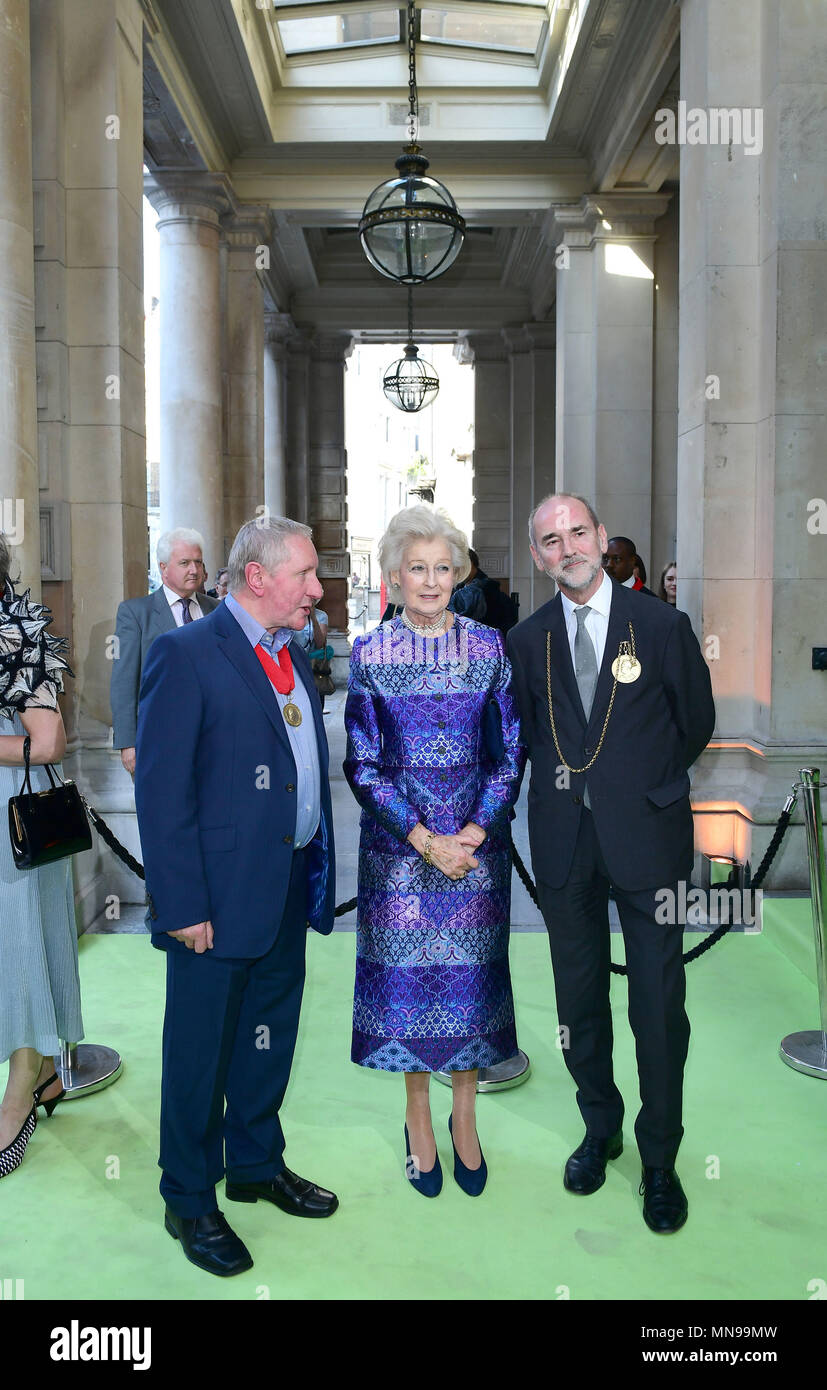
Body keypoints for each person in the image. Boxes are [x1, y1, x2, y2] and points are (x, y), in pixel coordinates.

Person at [134, 515, 338, 1277]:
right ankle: (188, 1197)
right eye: (305, 576)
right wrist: (182, 906)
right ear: (258, 578)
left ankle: (254, 1164)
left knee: (267, 1036)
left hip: (285, 885)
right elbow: (162, 793)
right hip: (212, 904)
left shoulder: (288, 653)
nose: (317, 590)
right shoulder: (184, 655)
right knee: (199, 1051)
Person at [507, 494, 715, 1234]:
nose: (566, 547)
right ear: (537, 556)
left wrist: (639, 786)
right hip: (563, 843)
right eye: (549, 539)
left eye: (576, 532)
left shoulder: (660, 626)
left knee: (657, 1006)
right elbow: (526, 739)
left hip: (649, 840)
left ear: (600, 537)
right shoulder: (523, 641)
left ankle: (659, 1160)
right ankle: (599, 1129)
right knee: (577, 1002)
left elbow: (694, 724)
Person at [344, 504, 525, 1199]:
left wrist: (473, 833)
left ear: (459, 572)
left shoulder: (487, 648)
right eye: (416, 568)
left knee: (471, 988)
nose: (429, 580)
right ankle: (418, 1118)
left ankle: (464, 1117)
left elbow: (509, 753)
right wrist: (423, 839)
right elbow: (363, 764)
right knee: (409, 991)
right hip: (400, 855)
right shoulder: (369, 654)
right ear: (394, 574)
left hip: (476, 855)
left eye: (441, 568)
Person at [0, 535, 80, 1178]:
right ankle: (47, 1068)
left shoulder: (19, 636)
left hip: (15, 813)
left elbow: (47, 741)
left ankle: (22, 1086)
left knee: (23, 940)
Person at [111, 528, 218, 777]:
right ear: (163, 567)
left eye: (198, 562)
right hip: (159, 740)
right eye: (184, 563)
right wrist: (128, 744)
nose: (194, 570)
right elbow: (124, 682)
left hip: (214, 740)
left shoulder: (217, 611)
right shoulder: (136, 614)